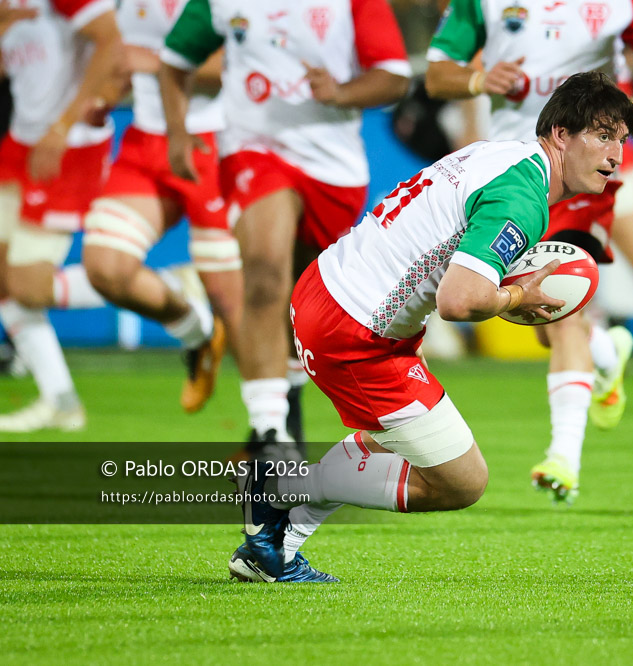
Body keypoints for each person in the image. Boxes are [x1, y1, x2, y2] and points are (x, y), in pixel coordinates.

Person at [227, 72, 633, 583]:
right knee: (462, 481)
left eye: (622, 141)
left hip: (327, 288)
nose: (615, 156)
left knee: (396, 440)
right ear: (560, 134)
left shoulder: (499, 154)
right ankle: (279, 493)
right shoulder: (522, 197)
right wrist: (519, 296)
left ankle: (272, 549)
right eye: (603, 136)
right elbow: (459, 300)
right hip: (356, 329)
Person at [423, 0, 633, 504]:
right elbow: (438, 75)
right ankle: (608, 351)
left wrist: (622, 121)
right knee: (546, 321)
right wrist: (479, 81)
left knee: (562, 312)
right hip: (511, 176)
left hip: (580, 176)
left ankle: (563, 459)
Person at [158, 0, 411, 454]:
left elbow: (393, 76)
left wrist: (340, 92)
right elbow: (175, 59)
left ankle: (286, 416)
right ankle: (268, 429)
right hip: (253, 148)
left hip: (334, 165)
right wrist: (177, 131)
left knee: (304, 301)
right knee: (263, 272)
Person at [82, 0, 237, 415]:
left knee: (235, 300)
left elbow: (235, 67)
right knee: (106, 268)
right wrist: (108, 92)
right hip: (147, 139)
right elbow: (123, 55)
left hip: (215, 140)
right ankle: (200, 333)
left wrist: (154, 61)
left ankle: (274, 427)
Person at [0, 0, 124, 432]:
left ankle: (166, 286)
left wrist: (62, 126)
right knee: (3, 280)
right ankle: (61, 402)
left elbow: (112, 41)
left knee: (26, 284)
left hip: (70, 146)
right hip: (21, 140)